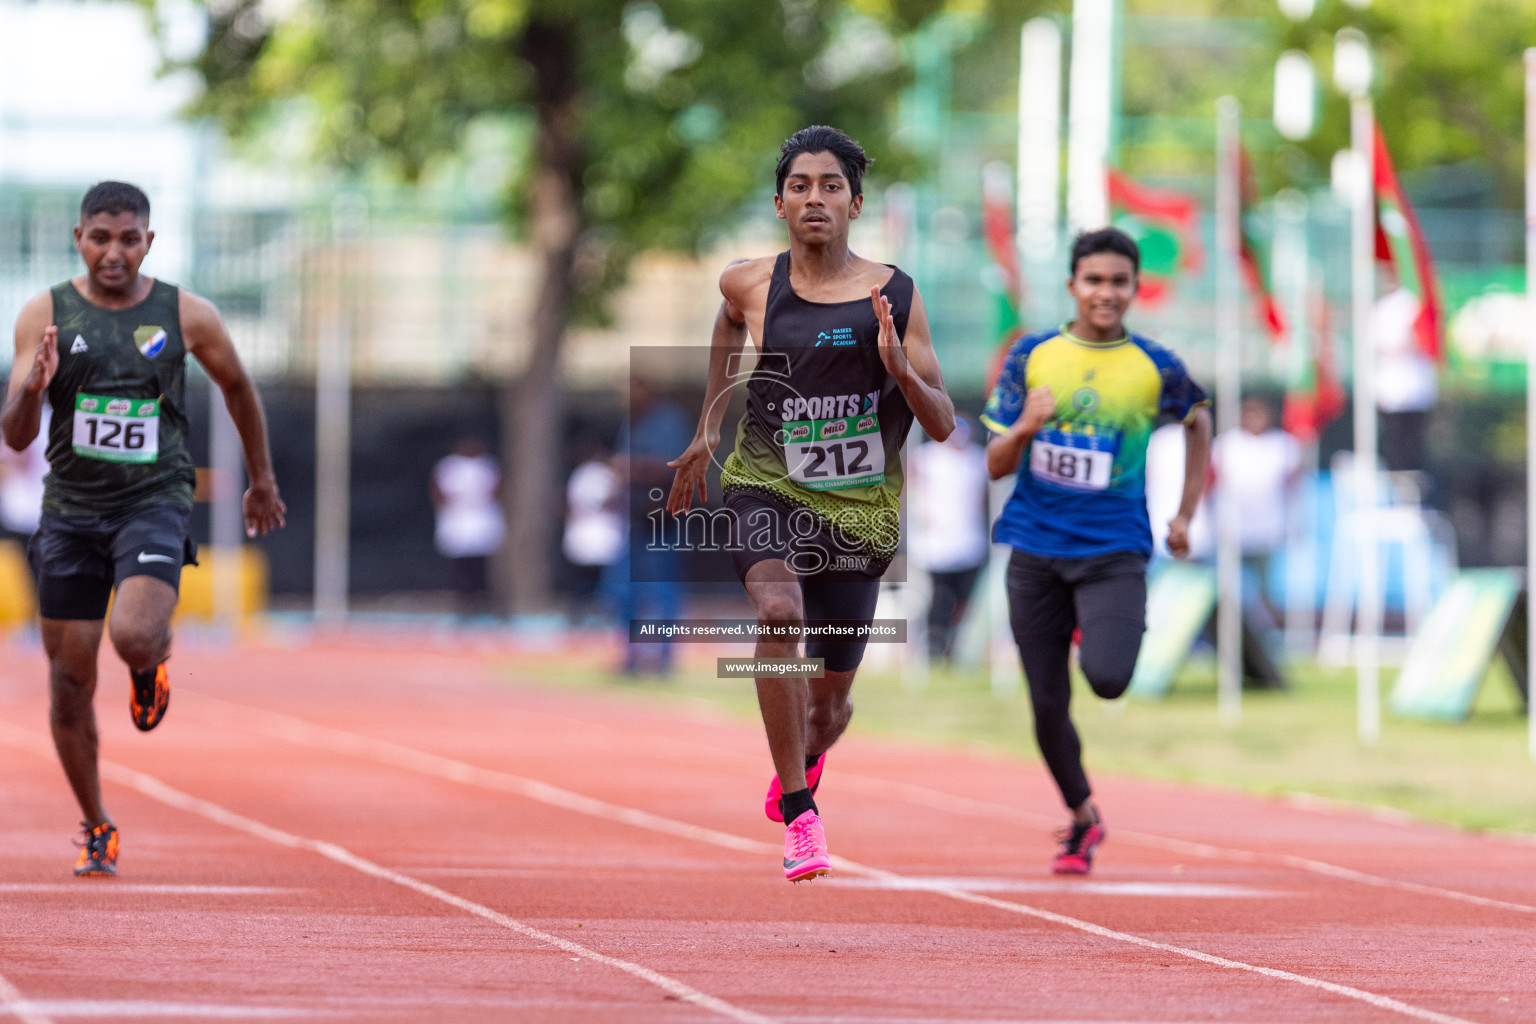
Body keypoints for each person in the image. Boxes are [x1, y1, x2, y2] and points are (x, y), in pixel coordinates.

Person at [667, 126, 955, 882]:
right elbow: (728, 326)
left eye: (831, 186)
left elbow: (944, 423)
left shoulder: (894, 293)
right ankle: (801, 814)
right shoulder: (748, 283)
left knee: (829, 707)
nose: (815, 198)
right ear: (779, 203)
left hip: (857, 511)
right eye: (801, 186)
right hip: (764, 485)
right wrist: (707, 430)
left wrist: (900, 368)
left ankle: (808, 754)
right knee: (779, 615)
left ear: (856, 204)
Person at [1, 182, 286, 876]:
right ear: (80, 239)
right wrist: (33, 388)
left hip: (153, 501)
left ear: (148, 243)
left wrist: (262, 480)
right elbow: (14, 438)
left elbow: (238, 387)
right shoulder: (44, 313)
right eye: (101, 237)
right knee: (69, 684)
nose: (114, 252)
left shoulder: (187, 313)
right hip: (69, 512)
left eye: (129, 239)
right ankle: (98, 824)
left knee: (130, 635)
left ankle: (150, 663)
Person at [981, 227, 1210, 876]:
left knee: (1108, 680)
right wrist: (1027, 423)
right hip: (1036, 550)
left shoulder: (1156, 365)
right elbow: (995, 465)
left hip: (1113, 550)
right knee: (1047, 704)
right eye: (1094, 281)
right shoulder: (1031, 356)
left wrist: (1185, 512)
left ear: (1136, 289)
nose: (1106, 293)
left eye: (1119, 282)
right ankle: (1082, 817)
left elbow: (1199, 420)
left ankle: (1097, 621)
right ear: (1072, 287)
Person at [1210, 394, 1301, 688]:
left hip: (1267, 532)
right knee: (1227, 594)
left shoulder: (1282, 446)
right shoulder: (1227, 444)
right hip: (1231, 532)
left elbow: (1293, 486)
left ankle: (1268, 648)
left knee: (1265, 596)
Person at [908, 417, 989, 662]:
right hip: (934, 545)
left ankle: (952, 643)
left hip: (969, 542)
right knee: (939, 597)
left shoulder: (976, 459)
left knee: (965, 598)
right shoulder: (925, 457)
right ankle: (934, 643)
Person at [430, 438, 505, 619]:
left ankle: (485, 606)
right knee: (461, 570)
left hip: (481, 523)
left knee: (482, 569)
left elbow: (499, 489)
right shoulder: (448, 467)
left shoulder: (487, 466)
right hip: (458, 523)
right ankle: (464, 607)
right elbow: (437, 493)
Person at [562, 438, 622, 626]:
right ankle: (599, 615)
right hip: (602, 533)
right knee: (599, 581)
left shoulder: (579, 474)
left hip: (586, 533)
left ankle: (580, 616)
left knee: (586, 582)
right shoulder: (604, 475)